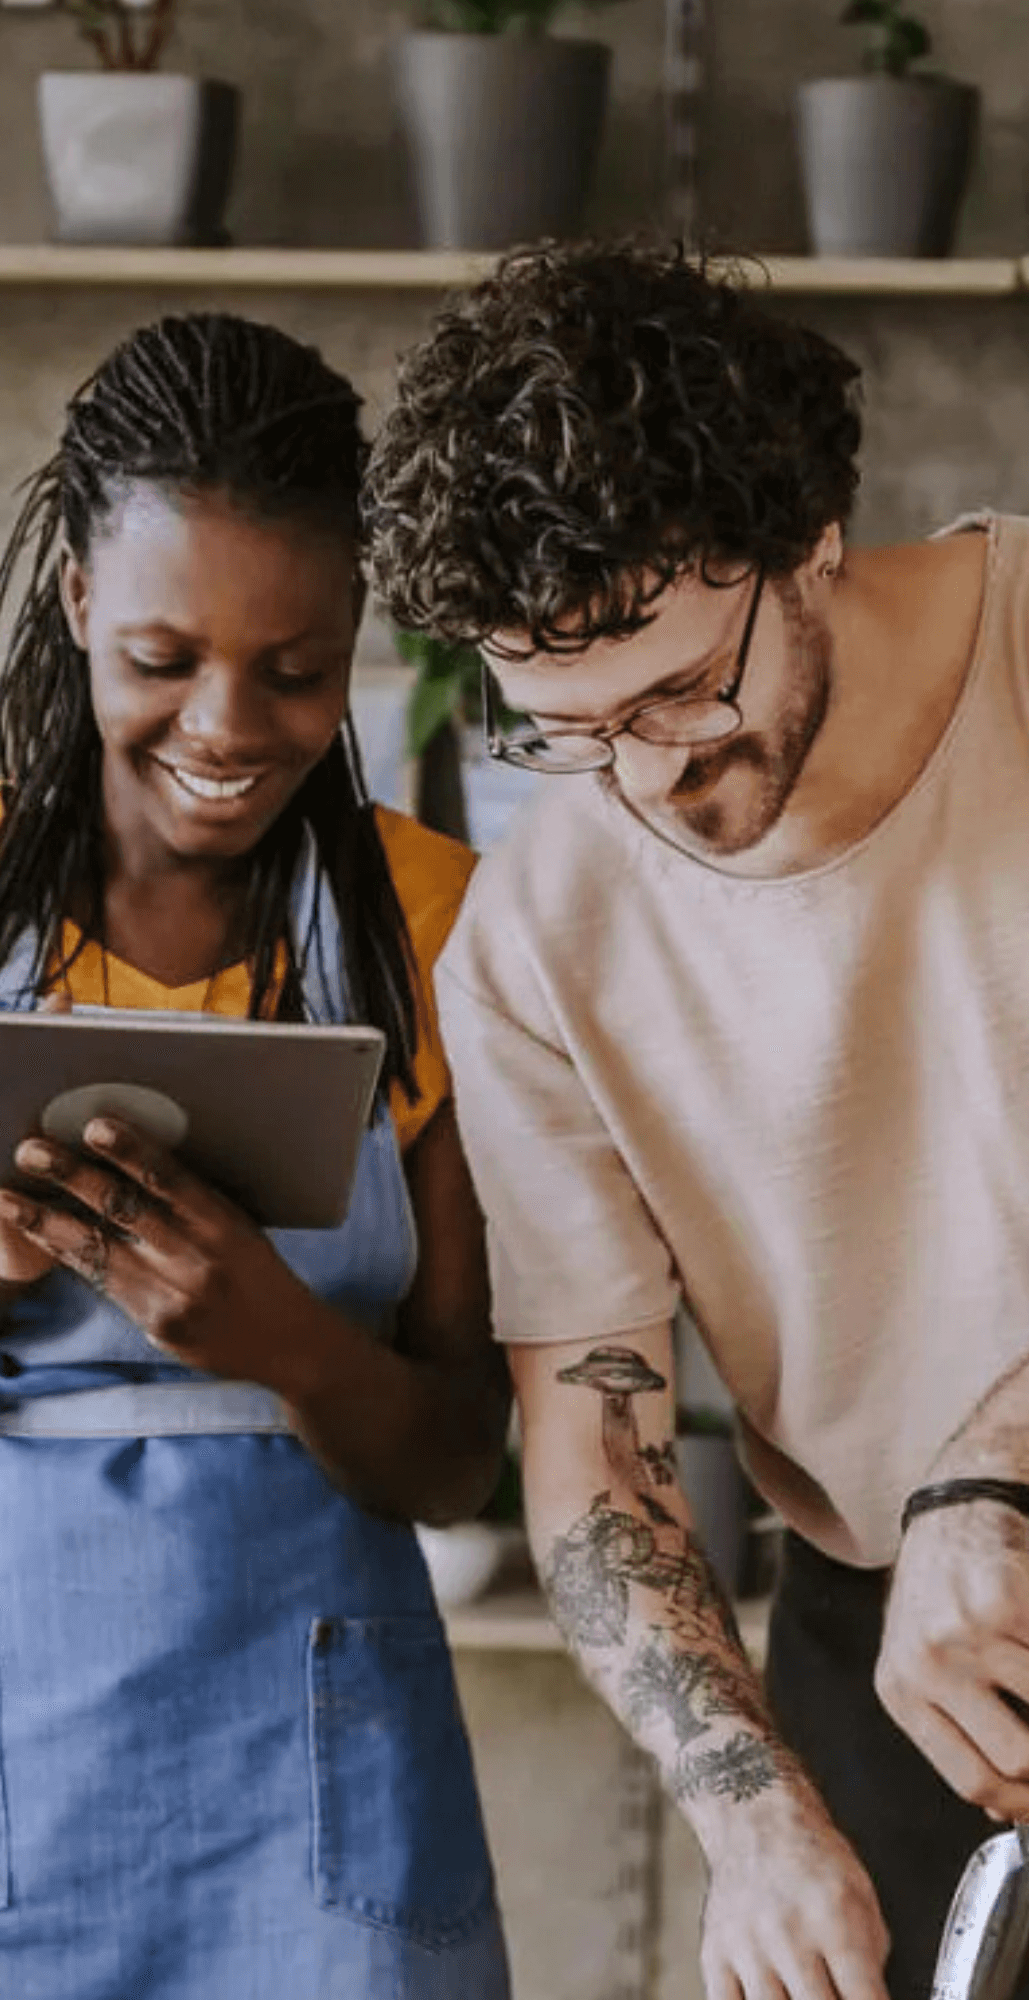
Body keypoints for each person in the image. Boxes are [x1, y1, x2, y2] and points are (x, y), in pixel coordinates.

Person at [0, 311, 514, 1999]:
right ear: (78, 601)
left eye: (296, 670)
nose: (226, 726)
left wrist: (274, 1337)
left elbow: (455, 1456)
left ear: (358, 627)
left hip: (313, 1787)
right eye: (162, 656)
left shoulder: (439, 923)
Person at [365, 236, 1029, 2000]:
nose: (650, 776)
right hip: (898, 1650)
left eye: (679, 690)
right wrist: (750, 1814)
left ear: (809, 531)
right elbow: (598, 1439)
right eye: (563, 732)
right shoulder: (533, 940)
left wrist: (997, 1463)